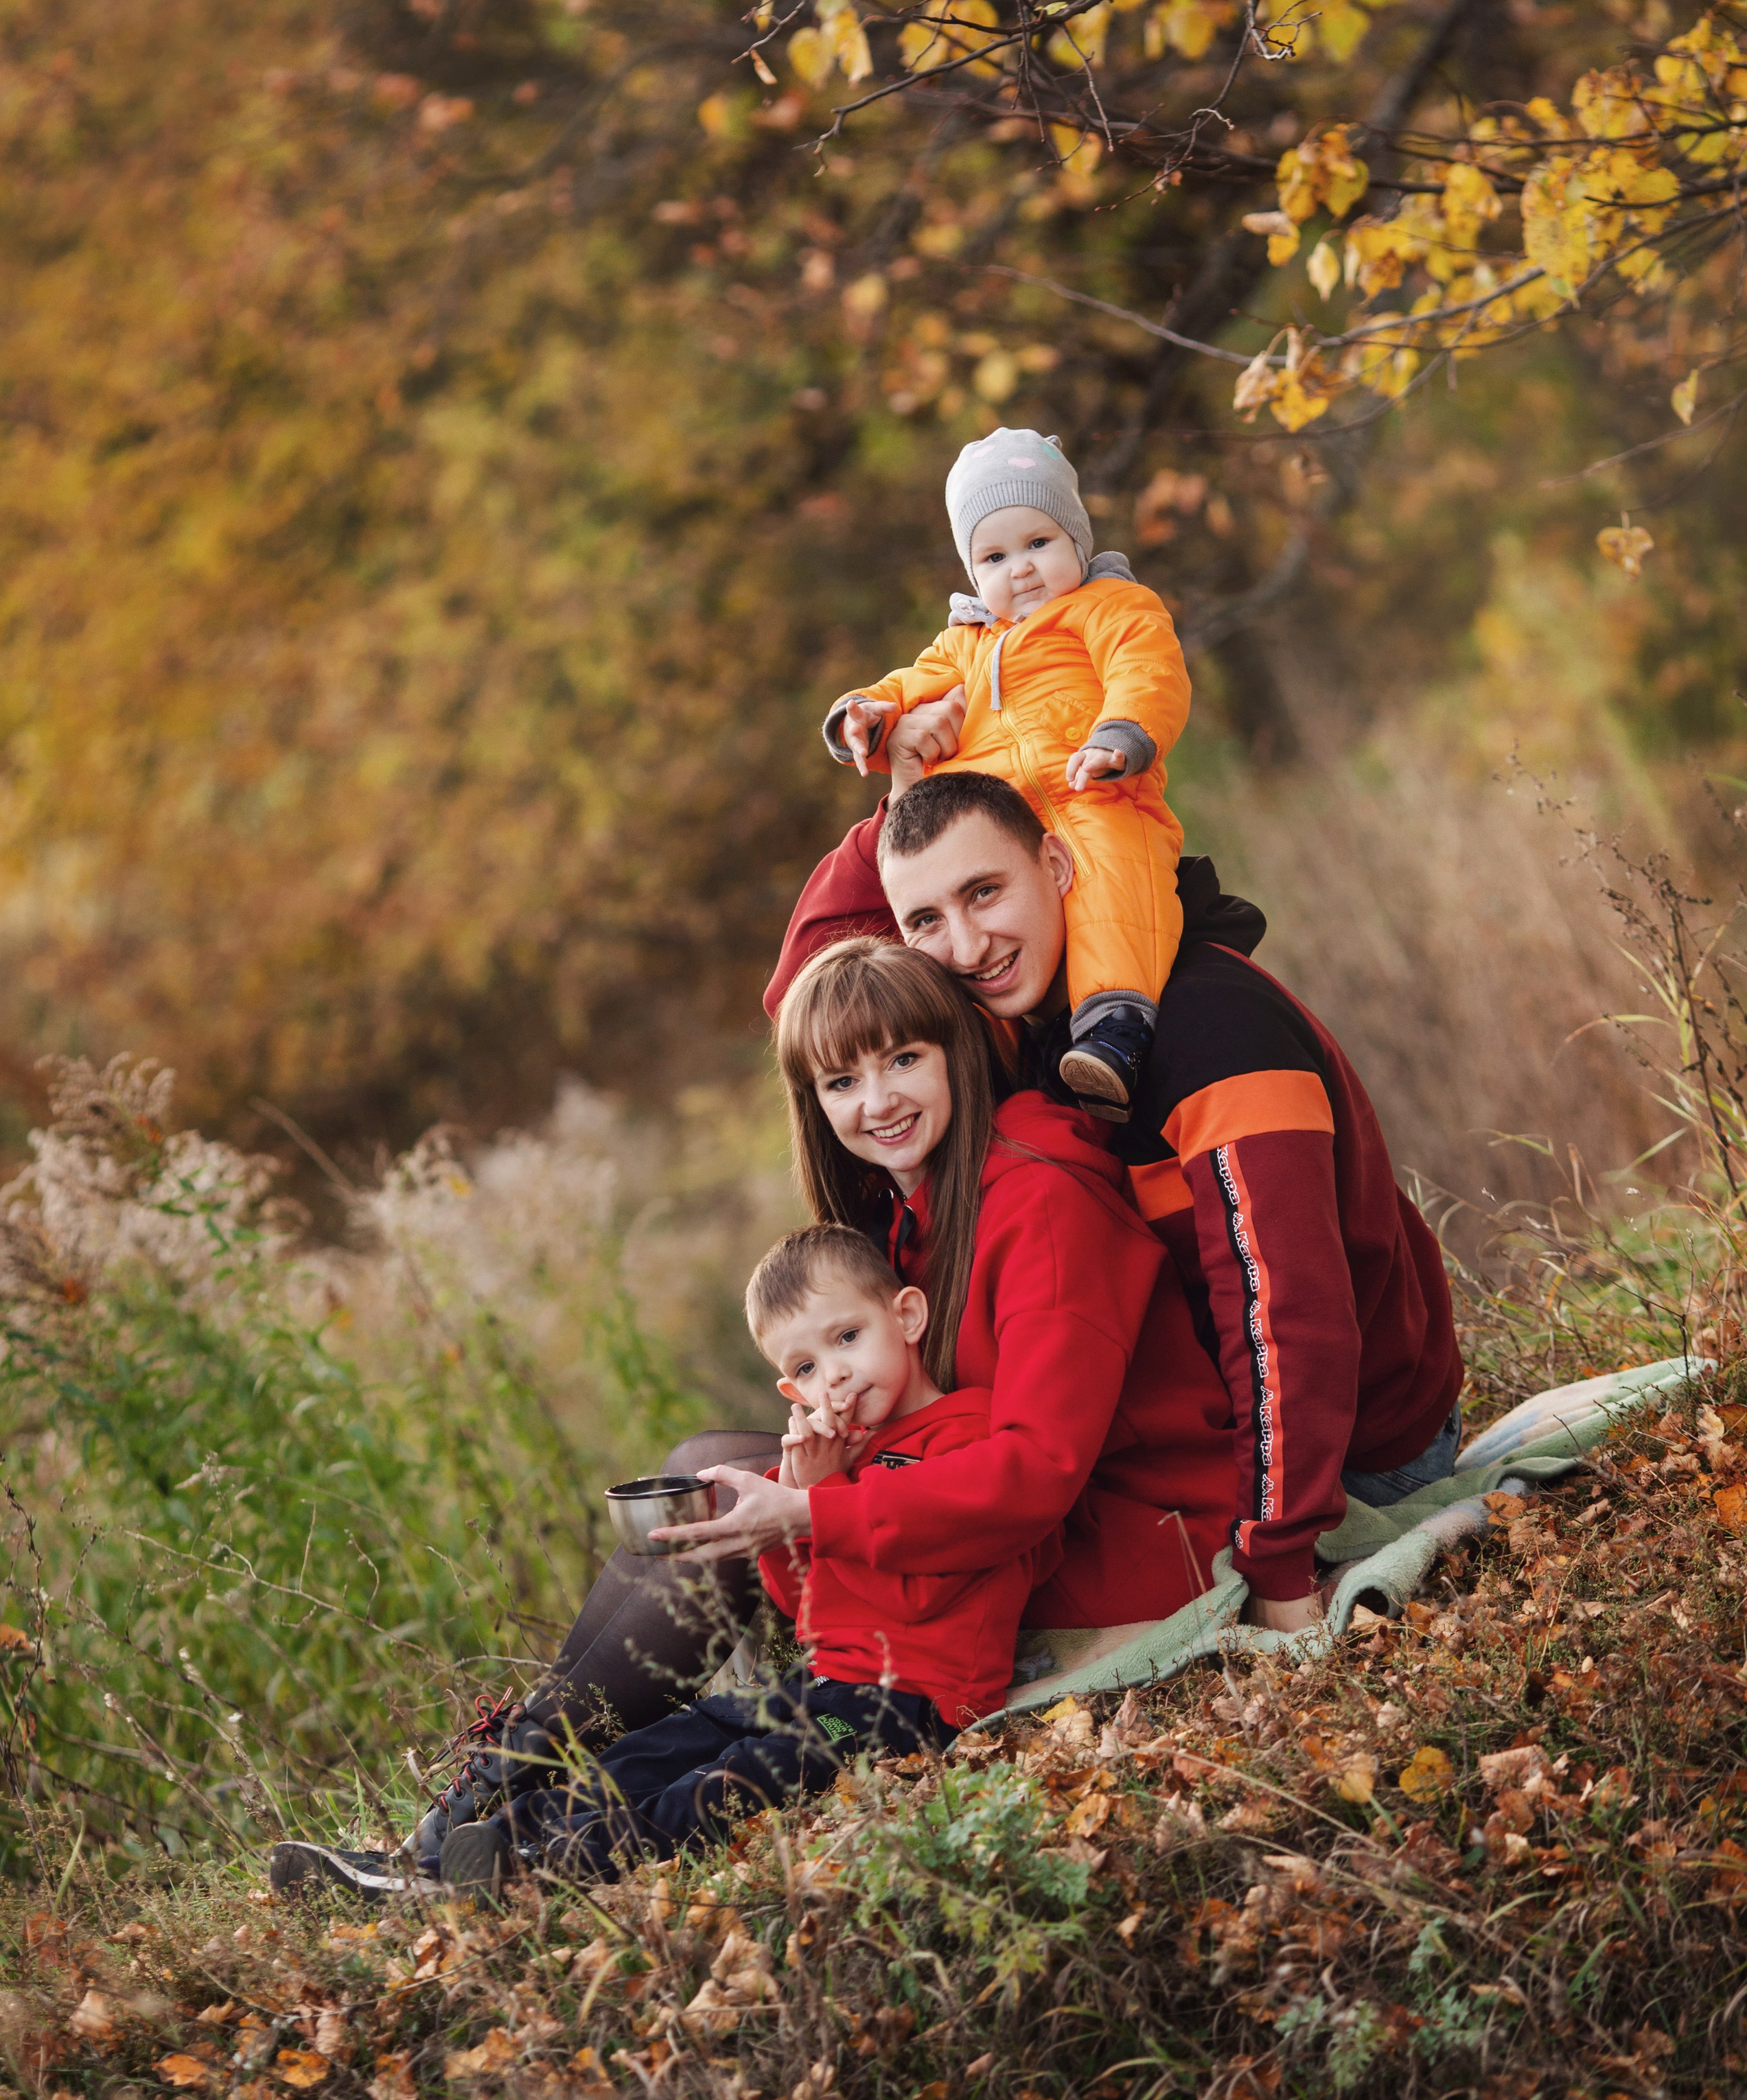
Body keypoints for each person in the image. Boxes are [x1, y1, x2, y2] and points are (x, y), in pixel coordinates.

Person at [268, 937, 1238, 1900]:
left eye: (905, 1061)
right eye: (841, 1082)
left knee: (737, 1539)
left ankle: (484, 1823)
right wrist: (816, 1476)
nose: (881, 1100)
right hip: (963, 1512)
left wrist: (811, 1513)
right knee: (707, 1480)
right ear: (811, 1103)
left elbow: (1035, 1475)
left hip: (1115, 1534)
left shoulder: (1041, 1200)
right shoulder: (916, 1209)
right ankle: (481, 1817)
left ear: (960, 1050)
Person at [764, 759, 1464, 1637]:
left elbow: (1290, 1317)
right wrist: (901, 794)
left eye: (985, 892)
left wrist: (1278, 1560)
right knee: (733, 1480)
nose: (968, 947)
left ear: (1056, 868)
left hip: (1358, 1452)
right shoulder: (1026, 1019)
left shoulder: (1212, 1030)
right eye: (925, 921)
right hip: (1187, 1440)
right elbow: (808, 994)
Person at [432, 1220, 1052, 1893]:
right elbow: (803, 1609)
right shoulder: (845, 1455)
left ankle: (544, 1866)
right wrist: (789, 1504)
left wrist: (821, 1497)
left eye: (847, 1337)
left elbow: (918, 1596)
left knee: (741, 1775)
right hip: (822, 1683)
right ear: (792, 1393)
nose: (835, 1372)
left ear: (905, 1316)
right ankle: (489, 1842)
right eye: (806, 1368)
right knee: (671, 1741)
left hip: (907, 1706)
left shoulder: (966, 1438)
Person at [823, 428, 1190, 1115]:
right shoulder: (964, 643)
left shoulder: (1110, 606)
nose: (1019, 569)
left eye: (1038, 544)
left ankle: (1114, 1026)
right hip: (998, 823)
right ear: (970, 571)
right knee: (970, 919)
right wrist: (867, 716)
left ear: (1076, 540)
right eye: (994, 556)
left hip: (1092, 791)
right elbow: (911, 682)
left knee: (1113, 883)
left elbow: (1146, 671)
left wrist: (1121, 737)